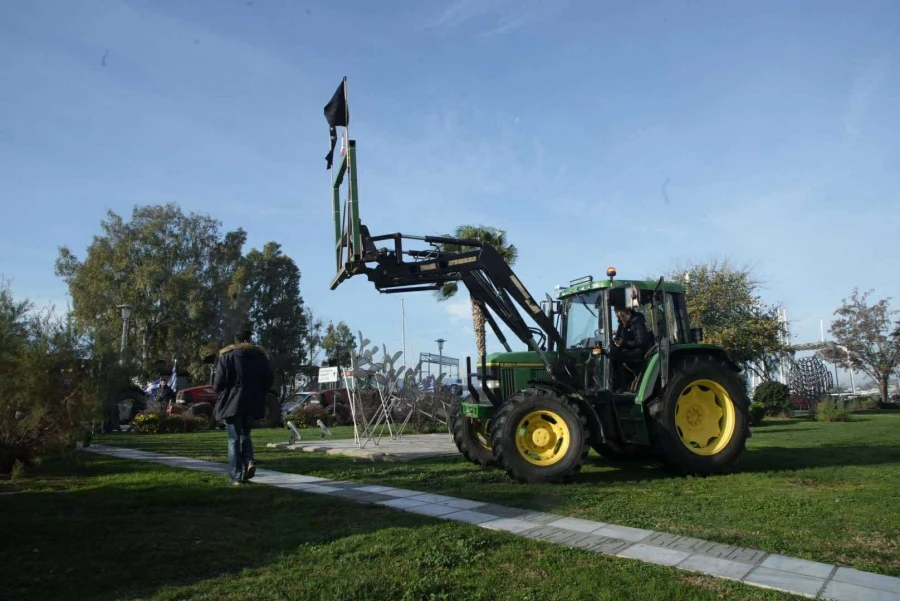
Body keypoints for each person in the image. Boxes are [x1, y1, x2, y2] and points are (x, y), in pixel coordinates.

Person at [213, 328, 274, 485]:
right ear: (249, 340)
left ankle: (235, 476)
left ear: (236, 341)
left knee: (233, 439)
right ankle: (249, 461)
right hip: (253, 401)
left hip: (232, 402)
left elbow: (218, 383)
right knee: (246, 434)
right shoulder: (260, 357)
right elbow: (268, 380)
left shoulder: (226, 356)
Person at [608, 305, 653, 391]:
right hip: (626, 349)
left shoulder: (637, 323)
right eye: (619, 317)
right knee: (610, 353)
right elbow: (618, 337)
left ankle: (621, 386)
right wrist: (615, 342)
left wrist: (624, 343)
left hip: (638, 351)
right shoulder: (621, 325)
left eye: (623, 316)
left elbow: (641, 342)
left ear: (629, 313)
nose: (621, 319)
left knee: (618, 357)